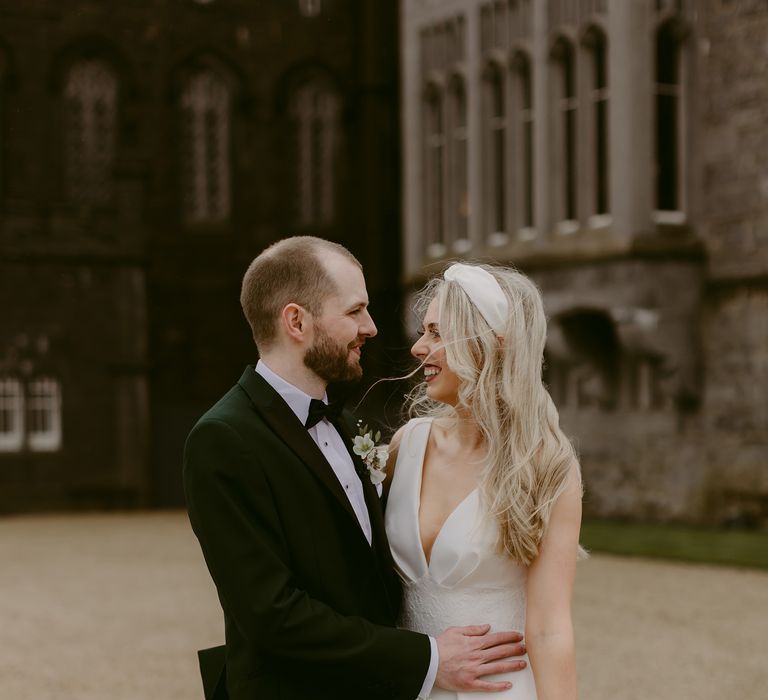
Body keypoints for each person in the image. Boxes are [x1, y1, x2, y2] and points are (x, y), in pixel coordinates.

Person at [183, 237, 528, 700]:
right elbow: (272, 614)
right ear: (296, 321)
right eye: (354, 311)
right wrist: (427, 660)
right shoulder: (223, 440)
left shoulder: (345, 423)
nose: (371, 327)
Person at [385, 262, 583, 700]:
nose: (418, 348)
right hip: (408, 685)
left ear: (487, 344)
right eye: (423, 331)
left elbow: (550, 628)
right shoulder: (405, 446)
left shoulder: (546, 466)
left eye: (436, 333)